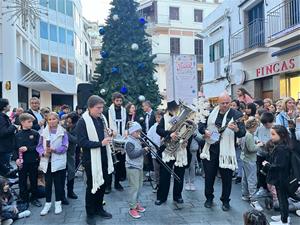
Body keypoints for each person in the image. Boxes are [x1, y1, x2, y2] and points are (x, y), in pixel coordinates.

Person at [200, 92, 246, 211]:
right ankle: (209, 198)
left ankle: (225, 201)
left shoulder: (236, 114)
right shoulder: (211, 113)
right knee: (209, 176)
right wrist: (205, 131)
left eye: (227, 103)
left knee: (226, 178)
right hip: (211, 149)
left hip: (227, 151)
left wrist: (236, 129)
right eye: (222, 103)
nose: (225, 105)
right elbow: (200, 125)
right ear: (218, 103)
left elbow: (242, 132)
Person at [76, 95, 114, 225]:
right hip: (91, 159)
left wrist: (110, 133)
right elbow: (82, 142)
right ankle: (90, 213)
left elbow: (104, 136)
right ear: (90, 107)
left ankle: (99, 208)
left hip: (103, 156)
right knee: (92, 186)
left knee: (102, 184)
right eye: (98, 108)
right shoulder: (83, 121)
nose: (101, 110)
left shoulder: (101, 118)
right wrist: (100, 143)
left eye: (102, 107)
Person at [155, 100, 191, 207]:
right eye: (174, 109)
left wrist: (186, 139)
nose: (175, 111)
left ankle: (178, 196)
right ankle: (161, 197)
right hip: (168, 149)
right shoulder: (165, 118)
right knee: (164, 175)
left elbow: (190, 131)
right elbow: (158, 130)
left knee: (179, 174)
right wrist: (170, 134)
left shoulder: (185, 118)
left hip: (180, 149)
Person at [37, 112, 68, 216]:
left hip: (58, 161)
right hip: (47, 162)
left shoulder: (63, 132)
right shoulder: (43, 132)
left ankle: (58, 203)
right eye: (49, 120)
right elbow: (39, 146)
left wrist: (54, 150)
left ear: (58, 120)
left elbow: (65, 147)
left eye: (54, 119)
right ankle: (48, 203)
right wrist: (43, 152)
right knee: (48, 184)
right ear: (47, 121)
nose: (51, 121)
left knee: (59, 184)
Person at [262, 125, 291, 225]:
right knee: (281, 198)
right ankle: (284, 217)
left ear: (281, 135)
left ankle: (284, 221)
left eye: (273, 134)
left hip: (281, 178)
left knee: (282, 199)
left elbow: (279, 165)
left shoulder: (281, 148)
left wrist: (267, 165)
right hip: (282, 177)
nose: (271, 136)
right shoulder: (284, 146)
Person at [13, 113, 42, 208]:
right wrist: (16, 158)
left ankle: (34, 198)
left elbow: (38, 147)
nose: (31, 124)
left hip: (33, 160)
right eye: (29, 122)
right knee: (22, 180)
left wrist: (28, 148)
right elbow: (14, 148)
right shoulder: (17, 135)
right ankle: (24, 199)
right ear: (22, 122)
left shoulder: (35, 133)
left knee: (34, 179)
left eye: (32, 122)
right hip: (22, 162)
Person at [105, 92, 127, 193]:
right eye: (117, 100)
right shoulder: (107, 111)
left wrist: (126, 129)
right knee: (110, 162)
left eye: (120, 101)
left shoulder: (124, 110)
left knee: (120, 163)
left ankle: (117, 183)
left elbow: (125, 123)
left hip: (121, 138)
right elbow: (104, 124)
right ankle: (108, 185)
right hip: (111, 138)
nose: (119, 102)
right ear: (113, 101)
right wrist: (110, 130)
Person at [241, 117, 263, 212]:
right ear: (253, 126)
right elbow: (252, 149)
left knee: (245, 178)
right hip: (250, 159)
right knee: (252, 179)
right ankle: (254, 200)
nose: (256, 128)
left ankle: (245, 195)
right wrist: (259, 145)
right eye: (256, 126)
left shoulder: (245, 134)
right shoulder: (249, 135)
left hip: (244, 158)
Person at [125, 122, 147, 219]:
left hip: (138, 166)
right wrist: (143, 150)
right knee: (134, 188)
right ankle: (132, 208)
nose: (139, 133)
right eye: (137, 131)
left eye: (140, 131)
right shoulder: (129, 141)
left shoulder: (136, 140)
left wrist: (144, 151)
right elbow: (132, 155)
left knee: (139, 187)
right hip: (132, 167)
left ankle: (136, 203)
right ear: (132, 132)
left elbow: (139, 153)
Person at [254, 112, 274, 199]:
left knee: (270, 171)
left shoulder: (276, 128)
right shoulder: (260, 128)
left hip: (271, 153)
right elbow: (254, 136)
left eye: (268, 123)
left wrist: (270, 143)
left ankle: (271, 189)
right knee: (261, 171)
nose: (266, 125)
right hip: (261, 152)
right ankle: (263, 188)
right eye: (264, 124)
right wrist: (258, 141)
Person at [63, 112, 79, 200]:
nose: (68, 124)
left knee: (71, 172)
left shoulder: (77, 128)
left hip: (71, 153)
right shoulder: (65, 125)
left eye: (70, 123)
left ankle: (70, 191)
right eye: (67, 122)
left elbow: (76, 140)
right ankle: (62, 194)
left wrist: (66, 133)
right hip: (61, 152)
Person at [0, 99, 18, 177]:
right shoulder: (1, 118)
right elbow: (3, 132)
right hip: (4, 148)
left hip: (5, 147)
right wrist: (13, 126)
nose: (10, 106)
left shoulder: (3, 117)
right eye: (8, 104)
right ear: (4, 107)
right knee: (4, 171)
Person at [147, 110, 163, 192]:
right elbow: (149, 137)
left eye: (159, 117)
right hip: (155, 151)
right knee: (156, 169)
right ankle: (157, 184)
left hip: (164, 151)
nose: (158, 119)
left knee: (163, 170)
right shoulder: (153, 127)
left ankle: (163, 185)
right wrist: (152, 145)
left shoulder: (165, 126)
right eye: (157, 117)